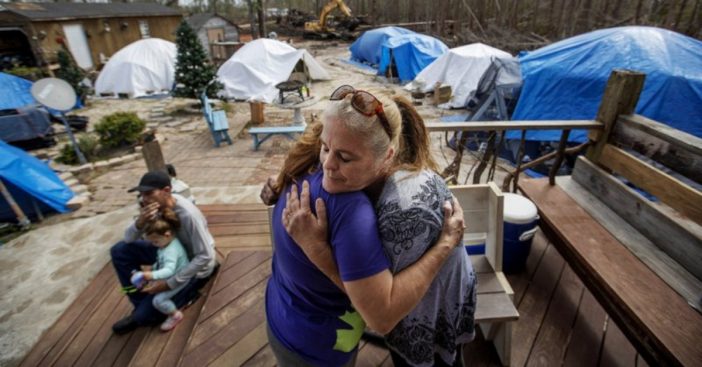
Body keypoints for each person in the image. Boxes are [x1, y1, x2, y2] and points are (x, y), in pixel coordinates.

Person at [264, 85, 475, 366]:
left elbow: (381, 315)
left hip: (429, 317)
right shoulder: (339, 188)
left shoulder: (398, 206)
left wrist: (445, 244)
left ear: (387, 156)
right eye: (326, 148)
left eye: (345, 157)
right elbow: (378, 311)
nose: (327, 164)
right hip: (308, 337)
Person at [110, 170, 217, 334]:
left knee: (144, 319)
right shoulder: (155, 208)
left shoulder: (187, 214)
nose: (144, 199)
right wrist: (141, 221)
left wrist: (169, 283)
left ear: (166, 190)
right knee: (119, 250)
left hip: (191, 265)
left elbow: (205, 255)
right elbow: (128, 239)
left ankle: (185, 295)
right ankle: (140, 303)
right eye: (141, 195)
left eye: (148, 193)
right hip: (168, 251)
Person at [130, 208, 190, 332]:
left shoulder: (171, 251)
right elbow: (161, 260)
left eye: (155, 241)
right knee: (152, 287)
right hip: (172, 275)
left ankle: (175, 315)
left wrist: (150, 274)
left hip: (179, 278)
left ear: (167, 235)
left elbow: (169, 270)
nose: (154, 244)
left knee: (158, 300)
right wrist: (153, 268)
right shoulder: (165, 244)